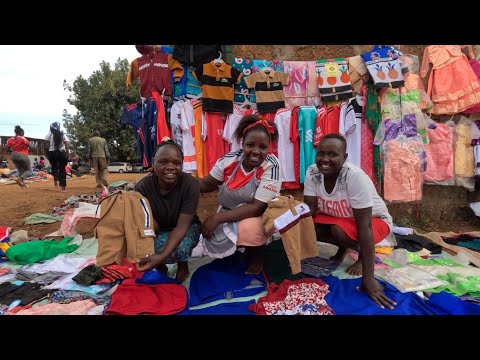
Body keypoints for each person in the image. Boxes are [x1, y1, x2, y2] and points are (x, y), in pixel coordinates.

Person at [303, 133, 397, 310]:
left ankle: (363, 254)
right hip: (341, 219)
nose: (325, 159)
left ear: (344, 157)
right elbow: (309, 211)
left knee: (338, 230)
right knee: (309, 226)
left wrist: (368, 279)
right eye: (321, 153)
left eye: (332, 154)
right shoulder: (312, 172)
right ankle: (344, 248)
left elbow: (366, 226)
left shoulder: (353, 176)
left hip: (374, 221)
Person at [198, 115, 281, 274]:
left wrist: (216, 219)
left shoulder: (272, 165)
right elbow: (206, 184)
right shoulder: (230, 159)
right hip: (228, 212)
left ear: (269, 147)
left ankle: (257, 255)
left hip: (258, 216)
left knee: (250, 228)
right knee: (215, 237)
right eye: (250, 145)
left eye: (263, 147)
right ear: (242, 142)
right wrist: (180, 180)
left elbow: (257, 208)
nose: (256, 151)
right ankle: (239, 249)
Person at [134, 139, 201, 282]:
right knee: (143, 247)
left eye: (176, 163)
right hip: (159, 228)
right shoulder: (142, 187)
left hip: (186, 227)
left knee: (180, 248)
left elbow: (182, 226)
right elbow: (148, 223)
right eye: (163, 162)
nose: (170, 167)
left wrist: (161, 256)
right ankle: (160, 267)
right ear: (153, 164)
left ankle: (182, 263)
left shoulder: (191, 184)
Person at [45, 122, 69, 193]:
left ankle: (56, 183)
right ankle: (63, 188)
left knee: (54, 168)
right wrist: (68, 155)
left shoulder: (48, 134)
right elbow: (66, 145)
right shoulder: (62, 134)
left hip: (51, 153)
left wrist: (47, 154)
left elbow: (46, 145)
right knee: (62, 169)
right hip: (61, 153)